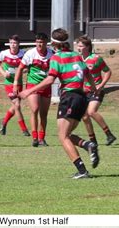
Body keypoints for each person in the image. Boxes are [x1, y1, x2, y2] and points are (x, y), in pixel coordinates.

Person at [19, 28, 99, 179]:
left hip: (70, 97)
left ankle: (82, 171)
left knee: (62, 137)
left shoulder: (56, 58)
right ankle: (88, 145)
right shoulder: (76, 55)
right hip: (82, 97)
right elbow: (87, 74)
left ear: (54, 43)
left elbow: (50, 80)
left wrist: (29, 91)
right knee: (66, 134)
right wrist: (94, 90)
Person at [13, 33, 53, 147]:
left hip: (45, 86)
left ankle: (42, 138)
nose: (39, 44)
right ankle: (34, 138)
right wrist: (16, 83)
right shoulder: (30, 54)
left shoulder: (52, 54)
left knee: (44, 114)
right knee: (35, 109)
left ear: (46, 42)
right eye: (37, 42)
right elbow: (20, 69)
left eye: (42, 42)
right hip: (32, 85)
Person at [77, 36, 117, 146]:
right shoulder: (77, 59)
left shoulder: (96, 58)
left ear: (88, 47)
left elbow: (107, 72)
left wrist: (101, 85)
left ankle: (109, 134)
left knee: (91, 112)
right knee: (84, 117)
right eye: (78, 45)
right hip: (83, 92)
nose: (78, 48)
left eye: (81, 46)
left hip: (96, 91)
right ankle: (93, 140)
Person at [0, 35, 30, 137]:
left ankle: (4, 122)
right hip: (9, 83)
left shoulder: (23, 54)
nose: (13, 45)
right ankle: (24, 130)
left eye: (15, 43)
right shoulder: (4, 54)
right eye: (11, 43)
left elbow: (28, 66)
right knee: (17, 105)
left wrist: (23, 71)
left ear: (18, 44)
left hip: (19, 83)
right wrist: (3, 73)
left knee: (15, 106)